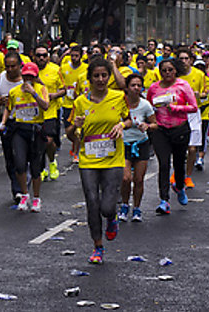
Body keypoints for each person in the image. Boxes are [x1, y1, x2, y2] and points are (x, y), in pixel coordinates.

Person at [66, 58, 131, 264]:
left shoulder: (119, 97)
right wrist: (73, 126)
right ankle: (98, 246)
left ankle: (112, 219)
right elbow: (70, 134)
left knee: (107, 207)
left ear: (109, 77)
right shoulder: (80, 102)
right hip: (88, 160)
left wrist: (122, 125)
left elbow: (130, 119)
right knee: (92, 203)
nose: (101, 79)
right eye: (96, 76)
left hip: (113, 159)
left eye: (104, 75)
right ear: (90, 78)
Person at [147, 58, 198, 214]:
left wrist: (176, 108)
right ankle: (164, 200)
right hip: (161, 130)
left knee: (178, 163)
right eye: (164, 70)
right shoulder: (154, 87)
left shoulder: (183, 85)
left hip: (180, 128)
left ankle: (180, 186)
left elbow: (194, 107)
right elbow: (148, 107)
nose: (167, 73)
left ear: (175, 70)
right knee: (163, 164)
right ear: (160, 72)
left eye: (170, 70)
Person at [0, 62, 49, 212]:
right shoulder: (15, 92)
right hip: (20, 130)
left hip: (36, 130)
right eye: (26, 76)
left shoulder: (41, 89)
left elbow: (45, 106)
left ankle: (36, 198)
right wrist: (3, 122)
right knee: (19, 164)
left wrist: (33, 93)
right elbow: (9, 108)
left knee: (35, 168)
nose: (28, 79)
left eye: (31, 77)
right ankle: (24, 195)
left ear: (36, 77)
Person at [0, 52, 25, 202]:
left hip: (25, 122)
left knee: (23, 156)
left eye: (13, 66)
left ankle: (25, 181)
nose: (9, 69)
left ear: (20, 66)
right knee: (10, 157)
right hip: (7, 122)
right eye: (7, 66)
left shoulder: (26, 79)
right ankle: (17, 189)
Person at [118, 73, 156, 223]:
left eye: (138, 85)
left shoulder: (145, 105)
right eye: (133, 85)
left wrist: (147, 126)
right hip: (124, 144)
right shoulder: (120, 103)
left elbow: (155, 124)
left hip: (141, 144)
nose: (136, 88)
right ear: (127, 88)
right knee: (126, 178)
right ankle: (124, 205)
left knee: (139, 180)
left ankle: (137, 208)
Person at [33, 45, 65, 181]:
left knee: (49, 141)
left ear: (48, 56)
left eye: (44, 55)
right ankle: (41, 168)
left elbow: (64, 90)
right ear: (34, 56)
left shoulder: (56, 70)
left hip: (51, 111)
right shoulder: (29, 70)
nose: (41, 58)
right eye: (38, 55)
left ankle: (52, 162)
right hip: (34, 113)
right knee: (37, 142)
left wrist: (54, 95)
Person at [176, 48, 204, 189]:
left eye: (186, 58)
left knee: (192, 148)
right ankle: (177, 173)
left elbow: (205, 93)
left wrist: (200, 95)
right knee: (179, 147)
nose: (184, 61)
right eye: (181, 59)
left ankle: (188, 176)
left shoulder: (198, 74)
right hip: (178, 113)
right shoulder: (175, 76)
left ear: (191, 60)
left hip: (193, 112)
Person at [60, 45, 88, 164]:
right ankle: (76, 144)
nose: (74, 58)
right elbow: (61, 82)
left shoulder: (86, 69)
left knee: (78, 129)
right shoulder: (64, 68)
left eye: (76, 56)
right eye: (72, 56)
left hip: (80, 104)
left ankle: (77, 152)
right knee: (68, 131)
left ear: (81, 56)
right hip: (67, 103)